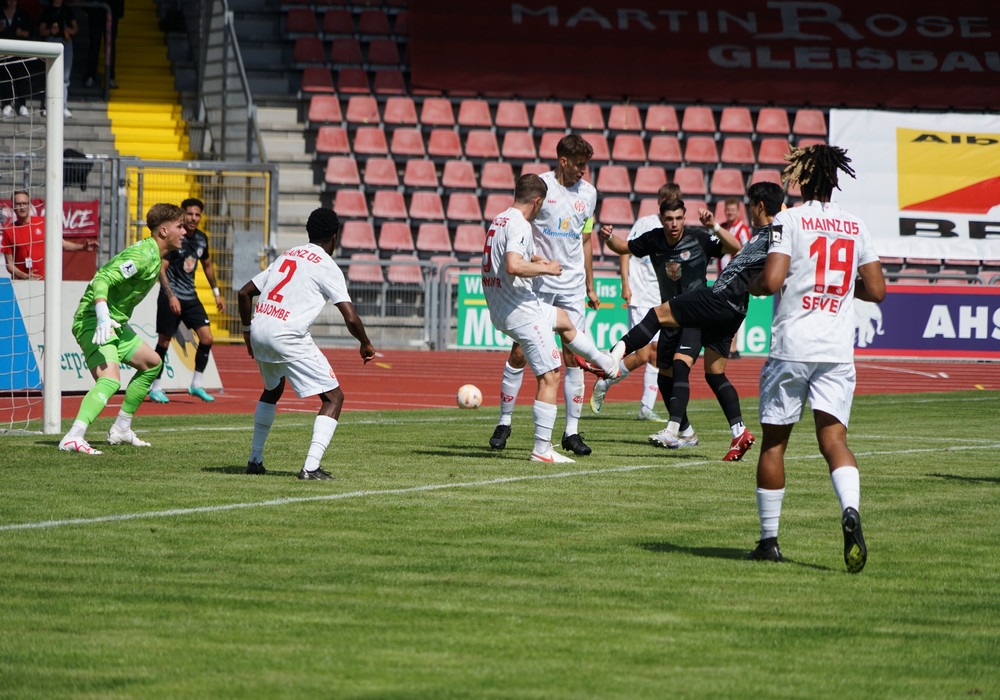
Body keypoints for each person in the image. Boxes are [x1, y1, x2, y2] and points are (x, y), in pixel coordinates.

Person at [746, 145, 885, 572]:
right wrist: (839, 287)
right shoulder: (855, 224)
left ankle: (769, 541)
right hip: (836, 349)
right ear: (834, 179)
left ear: (802, 179)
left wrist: (750, 284)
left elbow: (772, 281)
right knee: (834, 442)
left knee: (775, 443)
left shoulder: (788, 219)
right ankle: (850, 509)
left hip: (793, 346)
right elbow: (877, 290)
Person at [603, 182, 784, 460]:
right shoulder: (770, 233)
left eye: (751, 205)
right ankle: (739, 432)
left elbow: (749, 252)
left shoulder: (779, 232)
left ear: (760, 206)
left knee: (657, 314)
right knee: (714, 372)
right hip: (736, 308)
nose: (749, 210)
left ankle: (613, 356)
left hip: (720, 297)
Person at [482, 174, 620, 463]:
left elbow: (512, 255)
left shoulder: (500, 219)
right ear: (537, 201)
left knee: (564, 320)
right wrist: (546, 269)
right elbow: (513, 265)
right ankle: (542, 450)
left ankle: (605, 362)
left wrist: (536, 259)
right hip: (521, 311)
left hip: (504, 307)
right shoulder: (521, 224)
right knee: (551, 374)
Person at [237, 207, 375, 480]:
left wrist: (247, 331)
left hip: (260, 327)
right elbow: (350, 317)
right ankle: (311, 468)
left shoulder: (288, 255)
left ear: (308, 232)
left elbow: (244, 292)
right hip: (287, 334)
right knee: (333, 398)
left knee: (272, 390)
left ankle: (255, 459)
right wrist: (365, 343)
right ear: (334, 236)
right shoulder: (327, 265)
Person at [58, 203, 187, 454]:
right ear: (163, 230)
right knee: (110, 380)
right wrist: (102, 316)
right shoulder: (143, 255)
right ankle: (74, 436)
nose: (184, 232)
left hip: (115, 324)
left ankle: (121, 428)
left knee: (153, 363)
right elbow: (102, 279)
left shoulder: (154, 255)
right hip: (93, 320)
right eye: (179, 226)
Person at [590, 183, 681, 422]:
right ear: (659, 202)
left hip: (661, 297)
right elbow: (626, 251)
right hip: (641, 294)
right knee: (643, 354)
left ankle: (646, 407)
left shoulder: (676, 229)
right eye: (667, 199)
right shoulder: (645, 223)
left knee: (657, 352)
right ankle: (604, 382)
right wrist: (625, 284)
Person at [148, 198, 225, 403]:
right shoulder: (175, 238)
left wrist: (216, 292)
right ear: (183, 215)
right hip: (170, 296)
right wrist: (171, 296)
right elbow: (162, 268)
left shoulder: (201, 239)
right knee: (164, 341)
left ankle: (196, 384)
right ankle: (156, 387)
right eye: (190, 214)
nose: (193, 218)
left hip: (191, 297)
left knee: (207, 338)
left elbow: (207, 265)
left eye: (197, 214)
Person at [1, 189, 97, 279]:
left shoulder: (43, 223)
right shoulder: (9, 231)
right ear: (13, 206)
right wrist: (25, 276)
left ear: (29, 205)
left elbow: (62, 244)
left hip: (47, 281)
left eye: (25, 203)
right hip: (23, 282)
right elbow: (9, 264)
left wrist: (83, 247)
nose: (22, 207)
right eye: (18, 204)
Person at [717, 197, 753, 359]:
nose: (730, 212)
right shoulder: (722, 227)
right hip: (721, 277)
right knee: (722, 311)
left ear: (738, 211)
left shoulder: (742, 228)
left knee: (734, 311)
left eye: (732, 210)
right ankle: (724, 345)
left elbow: (747, 250)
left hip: (736, 278)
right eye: (728, 210)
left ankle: (733, 346)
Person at [37, 0, 77, 119]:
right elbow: (41, 30)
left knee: (65, 76)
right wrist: (51, 31)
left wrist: (70, 31)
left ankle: (63, 106)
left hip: (66, 42)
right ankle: (47, 106)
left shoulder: (67, 10)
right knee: (51, 75)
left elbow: (75, 27)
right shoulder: (47, 10)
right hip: (51, 41)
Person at [0, 1, 36, 117]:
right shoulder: (1, 13)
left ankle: (22, 105)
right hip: (3, 51)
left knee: (21, 78)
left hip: (19, 52)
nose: (11, 2)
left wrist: (21, 32)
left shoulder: (22, 14)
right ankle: (7, 104)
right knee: (5, 77)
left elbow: (30, 32)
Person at [83, 0, 122, 89]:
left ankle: (110, 77)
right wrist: (88, 8)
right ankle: (90, 76)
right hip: (95, 12)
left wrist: (118, 12)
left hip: (112, 12)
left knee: (110, 47)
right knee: (94, 45)